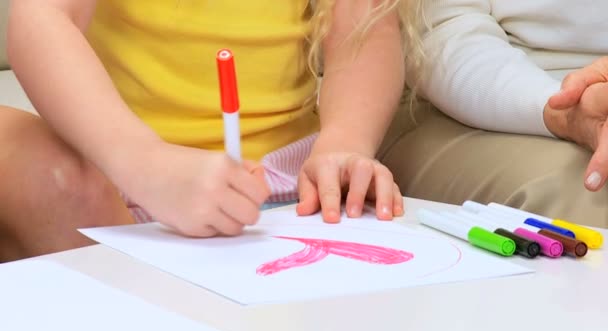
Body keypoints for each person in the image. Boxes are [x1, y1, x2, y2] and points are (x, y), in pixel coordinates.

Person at [0, 0, 423, 262]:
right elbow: (42, 19)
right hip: (115, 173)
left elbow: (365, 30)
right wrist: (145, 163)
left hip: (284, 187)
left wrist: (344, 145)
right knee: (36, 163)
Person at [378, 0, 608, 227]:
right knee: (584, 199)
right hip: (458, 100)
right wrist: (566, 110)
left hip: (591, 95)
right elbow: (440, 34)